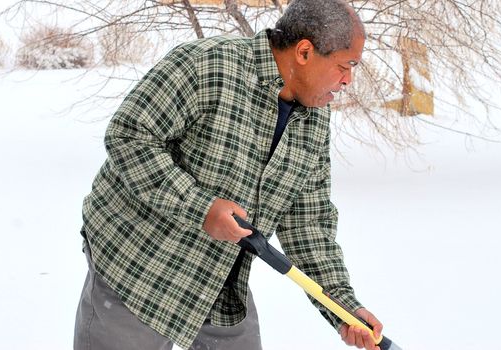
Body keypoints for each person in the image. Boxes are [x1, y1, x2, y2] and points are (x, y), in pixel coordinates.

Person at [74, 0, 384, 349]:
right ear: (304, 52)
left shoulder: (313, 117)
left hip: (220, 278)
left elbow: (308, 221)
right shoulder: (207, 64)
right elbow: (129, 134)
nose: (348, 81)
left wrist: (342, 305)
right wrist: (199, 207)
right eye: (346, 65)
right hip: (139, 266)